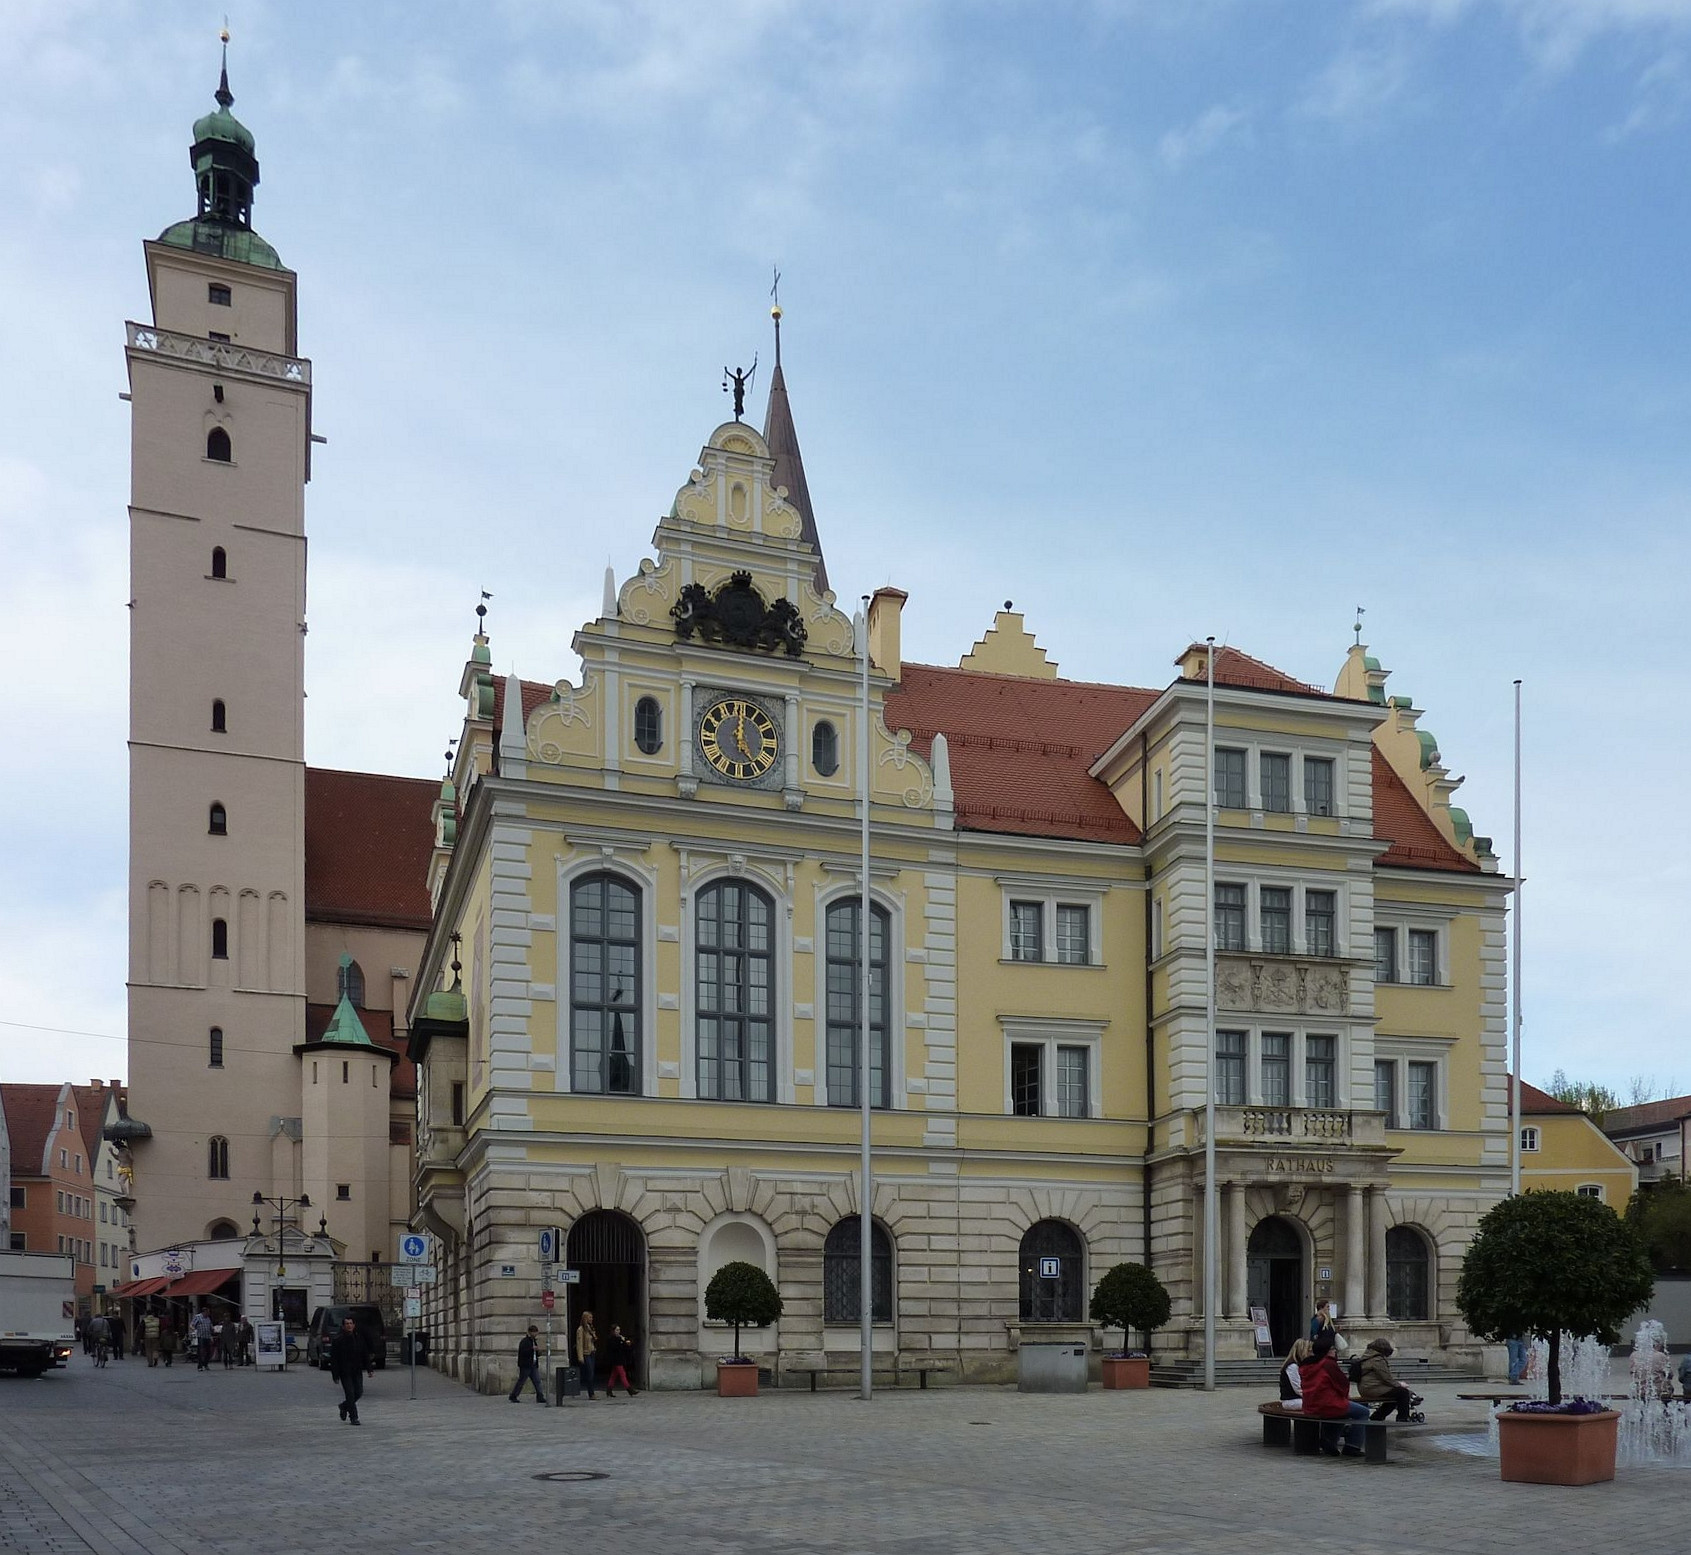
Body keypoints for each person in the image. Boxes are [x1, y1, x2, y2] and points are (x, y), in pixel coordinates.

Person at [1301, 1330, 1370, 1457]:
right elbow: (1342, 1384)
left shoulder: (1307, 1364)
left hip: (1310, 1404)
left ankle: (1330, 1442)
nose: (1335, 1351)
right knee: (1363, 1412)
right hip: (1329, 1403)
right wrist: (1344, 1397)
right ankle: (1352, 1446)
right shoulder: (1328, 1363)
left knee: (1341, 1413)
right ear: (1327, 1350)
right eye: (1333, 1348)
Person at [1356, 1338, 1423, 1422]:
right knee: (1402, 1393)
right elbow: (1386, 1378)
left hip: (1365, 1388)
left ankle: (1378, 1416)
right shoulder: (1377, 1360)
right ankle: (1403, 1417)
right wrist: (1400, 1384)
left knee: (1394, 1395)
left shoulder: (1367, 1356)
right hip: (1372, 1388)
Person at [330, 1316, 375, 1425]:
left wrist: (369, 1369)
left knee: (359, 1392)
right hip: (344, 1372)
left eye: (351, 1323)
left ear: (354, 1325)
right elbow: (334, 1359)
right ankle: (354, 1417)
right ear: (343, 1326)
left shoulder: (359, 1338)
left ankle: (344, 1406)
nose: (349, 1325)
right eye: (347, 1324)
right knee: (350, 1394)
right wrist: (335, 1375)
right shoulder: (338, 1340)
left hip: (357, 1370)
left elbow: (365, 1354)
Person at [509, 1325, 549, 1405]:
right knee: (521, 1381)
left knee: (537, 1381)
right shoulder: (525, 1341)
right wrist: (532, 1349)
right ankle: (513, 1395)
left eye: (536, 1332)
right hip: (526, 1365)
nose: (536, 1334)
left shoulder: (534, 1341)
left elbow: (535, 1353)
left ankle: (540, 1396)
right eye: (535, 1332)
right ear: (531, 1332)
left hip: (533, 1364)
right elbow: (523, 1352)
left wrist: (538, 1352)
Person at [605, 1324, 638, 1397]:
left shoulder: (620, 1338)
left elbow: (625, 1348)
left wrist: (627, 1343)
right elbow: (614, 1348)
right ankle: (630, 1390)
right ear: (613, 1331)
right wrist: (621, 1341)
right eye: (617, 1330)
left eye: (619, 1330)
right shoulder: (611, 1339)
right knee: (623, 1374)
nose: (618, 1331)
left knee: (613, 1375)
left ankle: (609, 1390)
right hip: (615, 1359)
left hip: (620, 1359)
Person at [1278, 1338, 1313, 1407]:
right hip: (1291, 1400)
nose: (1311, 1354)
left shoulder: (1301, 1365)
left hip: (1298, 1398)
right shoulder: (1292, 1366)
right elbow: (1298, 1388)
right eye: (1309, 1351)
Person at [574, 1310, 599, 1401]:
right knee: (590, 1374)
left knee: (591, 1373)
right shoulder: (581, 1330)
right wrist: (580, 1357)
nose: (591, 1319)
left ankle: (591, 1392)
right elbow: (579, 1343)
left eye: (592, 1317)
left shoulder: (590, 1328)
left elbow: (594, 1339)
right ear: (585, 1318)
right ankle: (591, 1393)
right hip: (586, 1353)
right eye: (590, 1317)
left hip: (592, 1352)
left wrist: (593, 1334)